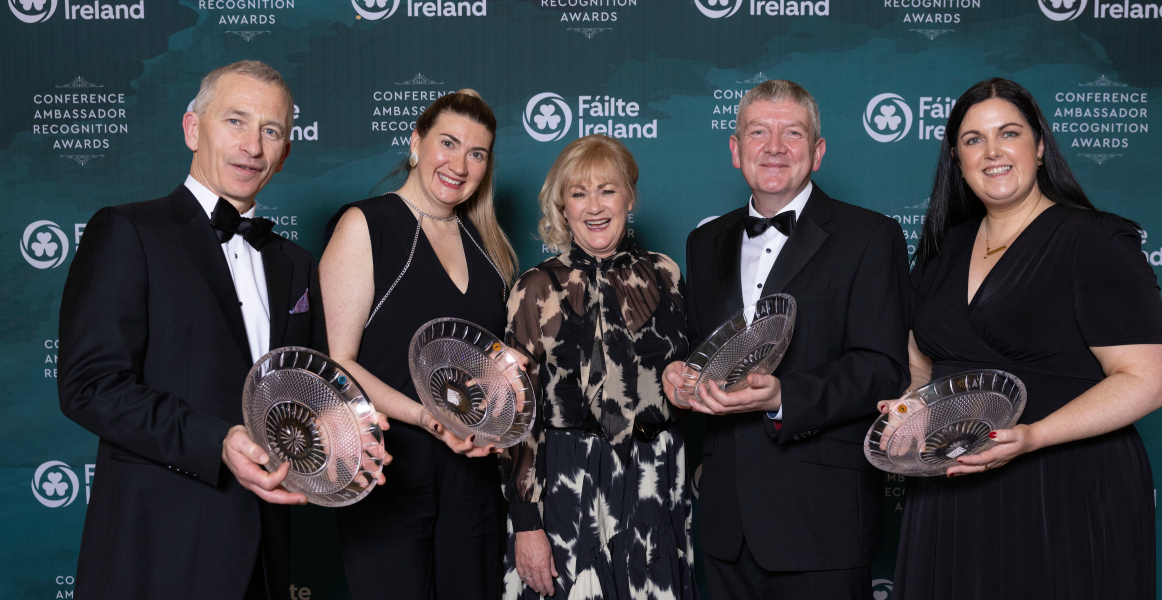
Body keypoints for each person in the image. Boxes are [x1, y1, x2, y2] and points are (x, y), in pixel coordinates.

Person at [57, 60, 347, 600]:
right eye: (235, 121)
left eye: (271, 131)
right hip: (159, 549)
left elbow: (306, 393)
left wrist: (350, 437)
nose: (252, 147)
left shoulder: (297, 264)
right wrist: (218, 441)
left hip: (265, 554)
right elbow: (89, 387)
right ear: (193, 128)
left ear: (285, 152)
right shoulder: (128, 231)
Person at [880, 78, 1162, 600]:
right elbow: (922, 363)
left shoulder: (1096, 240)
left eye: (1008, 133)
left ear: (1039, 147)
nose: (992, 152)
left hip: (1065, 484)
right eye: (973, 140)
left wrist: (1034, 436)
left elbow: (1149, 380)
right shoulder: (943, 249)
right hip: (955, 486)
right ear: (957, 158)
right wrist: (912, 406)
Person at [661, 79, 910, 600]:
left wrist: (783, 396)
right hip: (727, 525)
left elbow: (882, 368)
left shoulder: (870, 236)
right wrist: (679, 376)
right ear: (735, 150)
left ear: (817, 153)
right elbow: (706, 351)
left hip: (822, 522)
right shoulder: (705, 242)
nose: (774, 147)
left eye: (792, 133)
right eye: (758, 132)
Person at [321, 89, 517, 600]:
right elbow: (337, 363)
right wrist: (425, 416)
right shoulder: (366, 225)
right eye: (448, 143)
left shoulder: (487, 243)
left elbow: (488, 362)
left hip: (471, 479)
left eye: (477, 153)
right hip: (388, 473)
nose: (460, 164)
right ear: (415, 142)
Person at [501, 134, 694, 599]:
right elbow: (514, 417)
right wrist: (527, 523)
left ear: (629, 196)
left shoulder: (666, 274)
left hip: (655, 473)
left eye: (607, 190)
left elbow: (687, 375)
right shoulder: (534, 288)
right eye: (578, 192)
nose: (595, 206)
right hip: (569, 482)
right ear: (561, 206)